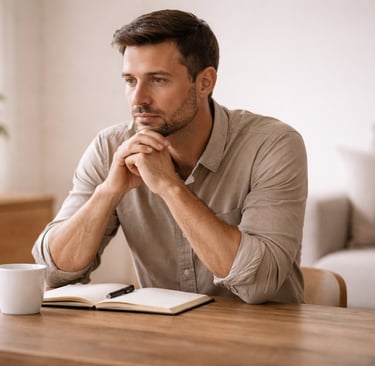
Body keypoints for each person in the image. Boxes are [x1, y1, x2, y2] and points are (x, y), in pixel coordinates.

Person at [32, 9, 307, 304]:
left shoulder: (272, 145)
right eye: (130, 81)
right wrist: (108, 192)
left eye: (158, 80)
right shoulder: (110, 148)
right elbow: (52, 274)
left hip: (266, 339)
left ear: (205, 83)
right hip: (161, 338)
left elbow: (259, 284)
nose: (138, 100)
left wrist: (170, 187)